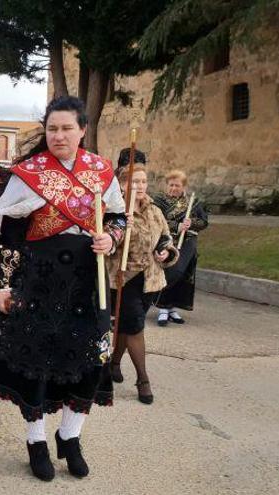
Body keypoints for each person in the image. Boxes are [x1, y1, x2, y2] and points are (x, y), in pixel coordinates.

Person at [0, 96, 126, 482]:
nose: (59, 136)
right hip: (40, 280)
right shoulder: (27, 174)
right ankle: (36, 441)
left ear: (83, 130)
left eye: (67, 128)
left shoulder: (100, 171)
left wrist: (111, 239)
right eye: (52, 129)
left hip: (88, 280)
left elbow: (118, 215)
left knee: (87, 359)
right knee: (38, 362)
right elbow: (5, 232)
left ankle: (70, 436)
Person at [108, 164, 179, 404]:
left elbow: (166, 238)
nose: (139, 186)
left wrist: (166, 253)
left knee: (126, 328)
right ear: (122, 184)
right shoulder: (114, 210)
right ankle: (143, 380)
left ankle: (114, 363)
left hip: (150, 280)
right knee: (135, 327)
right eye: (133, 181)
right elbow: (104, 244)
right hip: (124, 279)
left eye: (143, 181)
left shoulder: (154, 210)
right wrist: (116, 233)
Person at [152, 169, 209, 326]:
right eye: (171, 185)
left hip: (188, 242)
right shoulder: (159, 201)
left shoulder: (194, 202)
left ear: (184, 186)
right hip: (167, 241)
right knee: (171, 271)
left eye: (177, 185)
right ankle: (163, 307)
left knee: (183, 274)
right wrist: (177, 226)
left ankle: (172, 308)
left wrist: (192, 223)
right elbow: (156, 221)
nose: (173, 188)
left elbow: (204, 222)